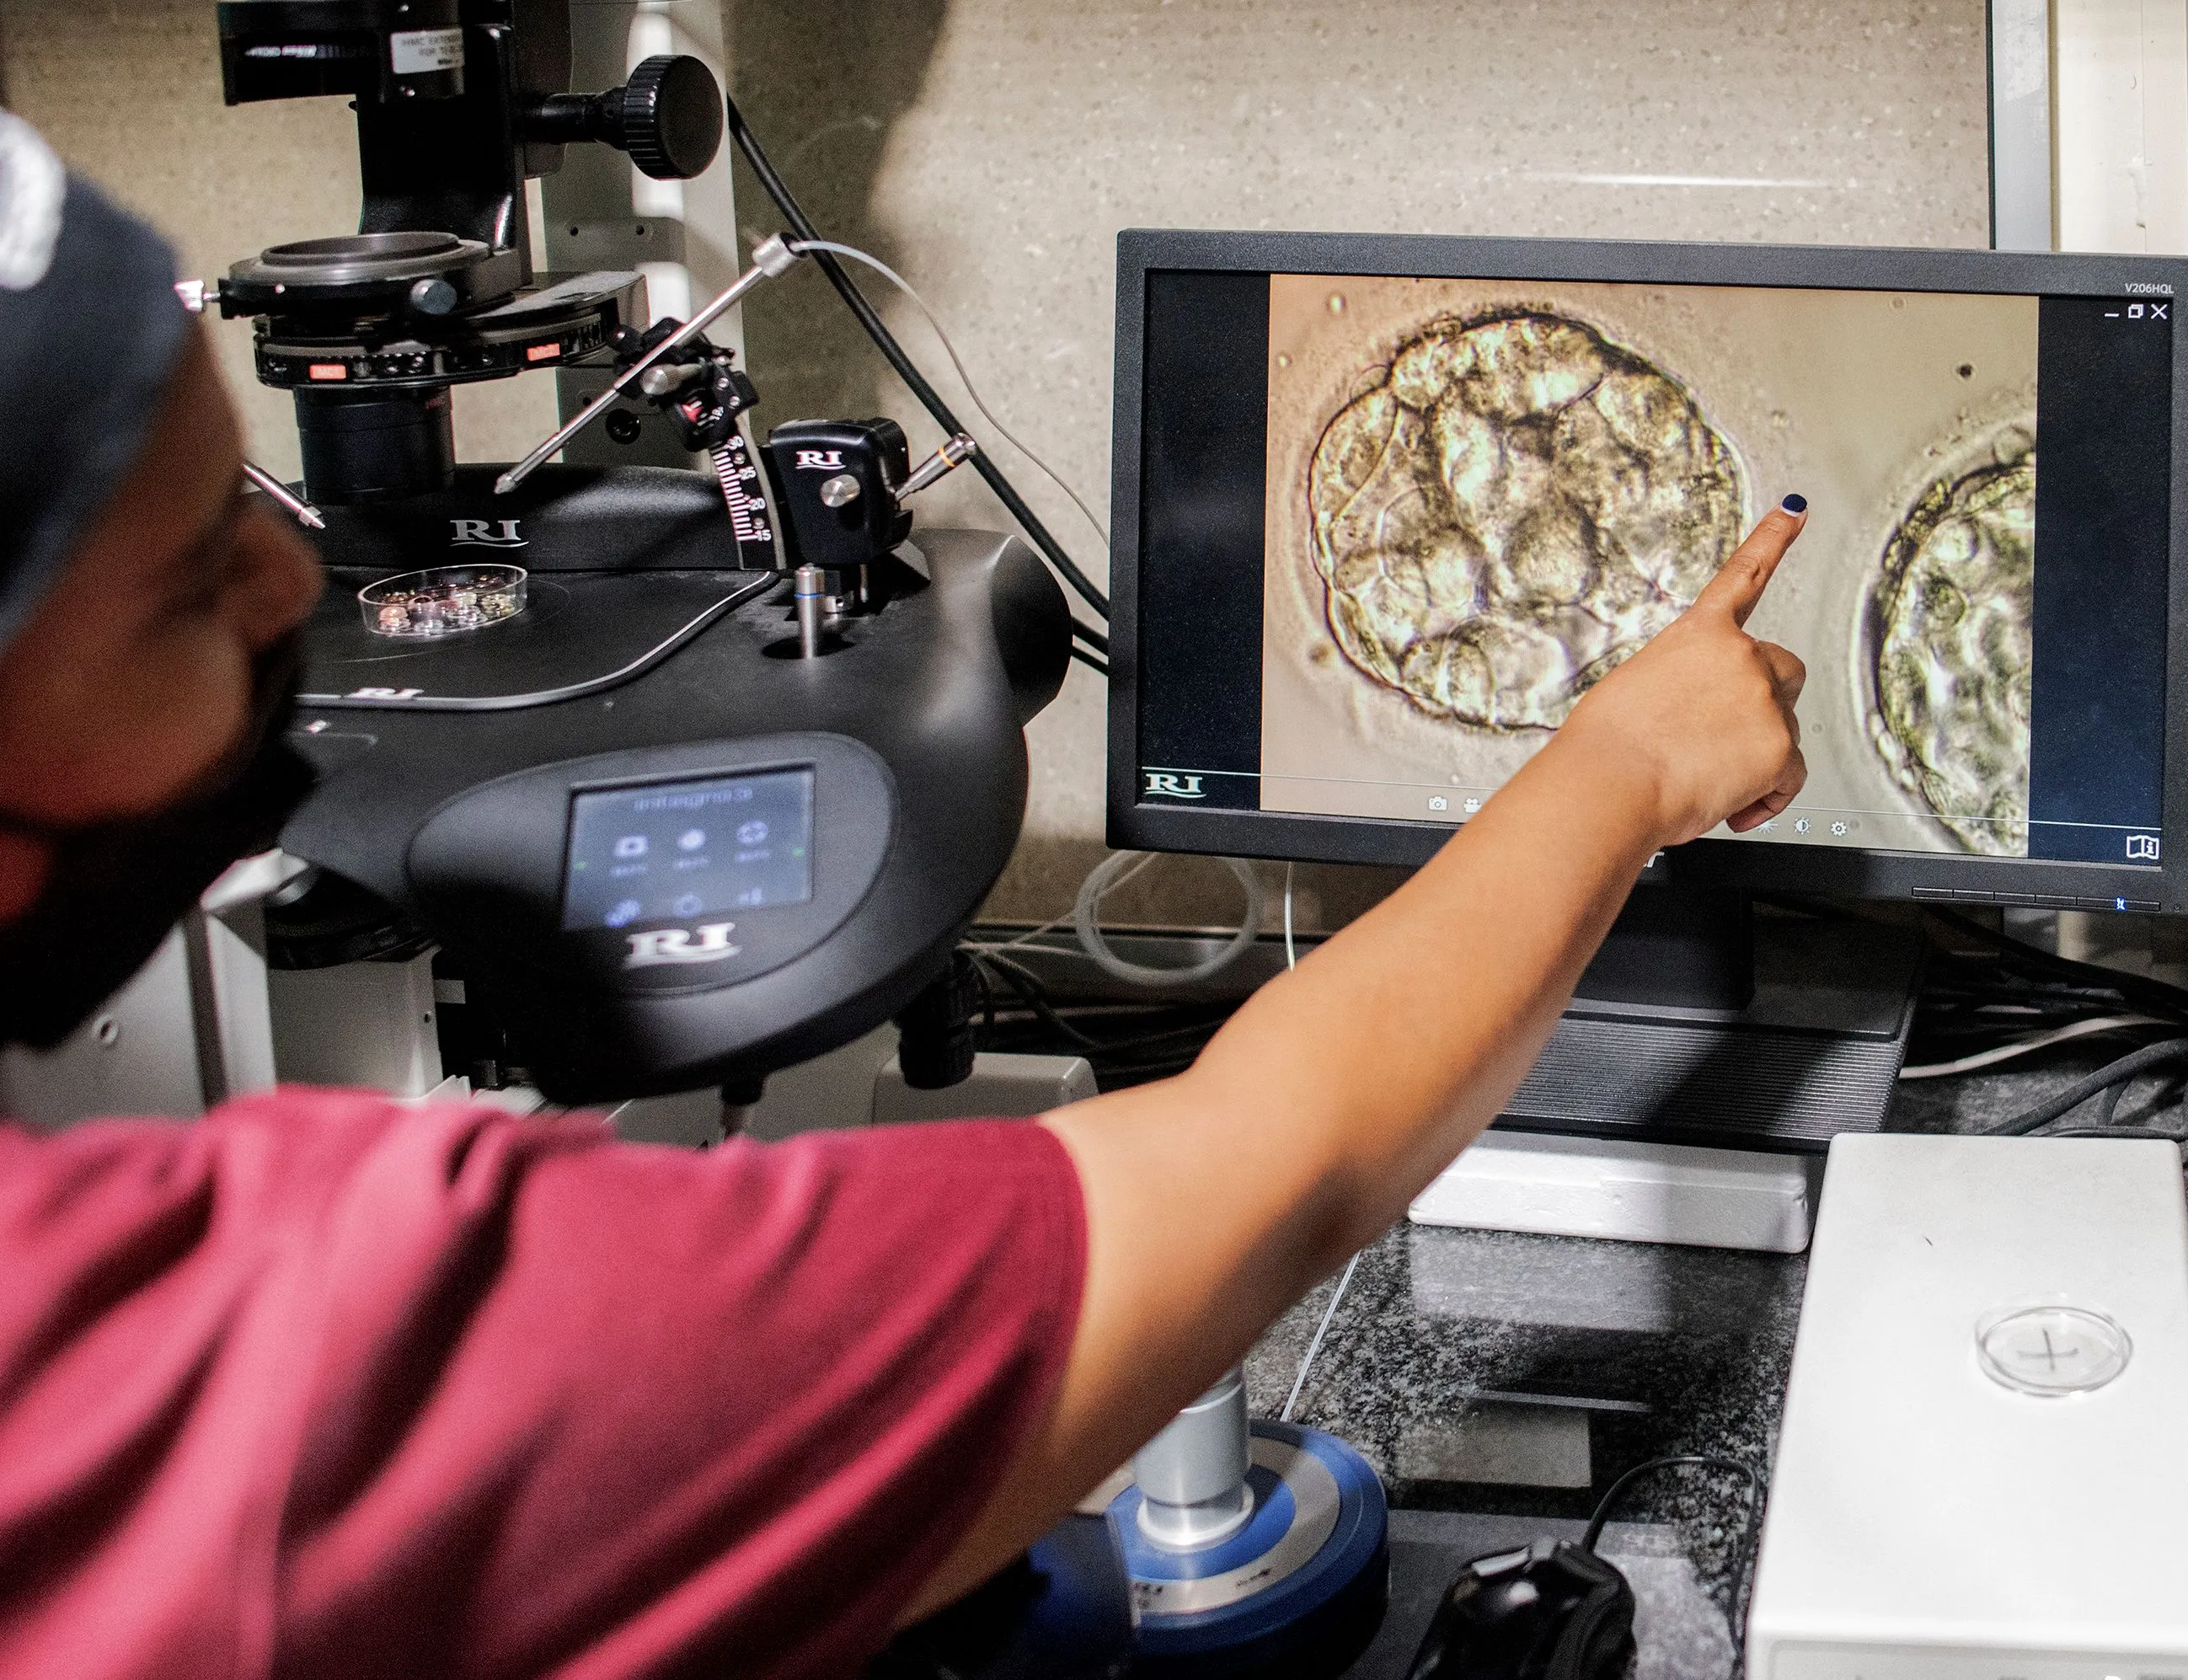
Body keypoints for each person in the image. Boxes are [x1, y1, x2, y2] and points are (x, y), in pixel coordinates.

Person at [0, 115, 1811, 1680]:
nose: (283, 577)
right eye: (182, 574)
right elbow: (1278, 1162)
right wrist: (1627, 765)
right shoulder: (253, 1378)